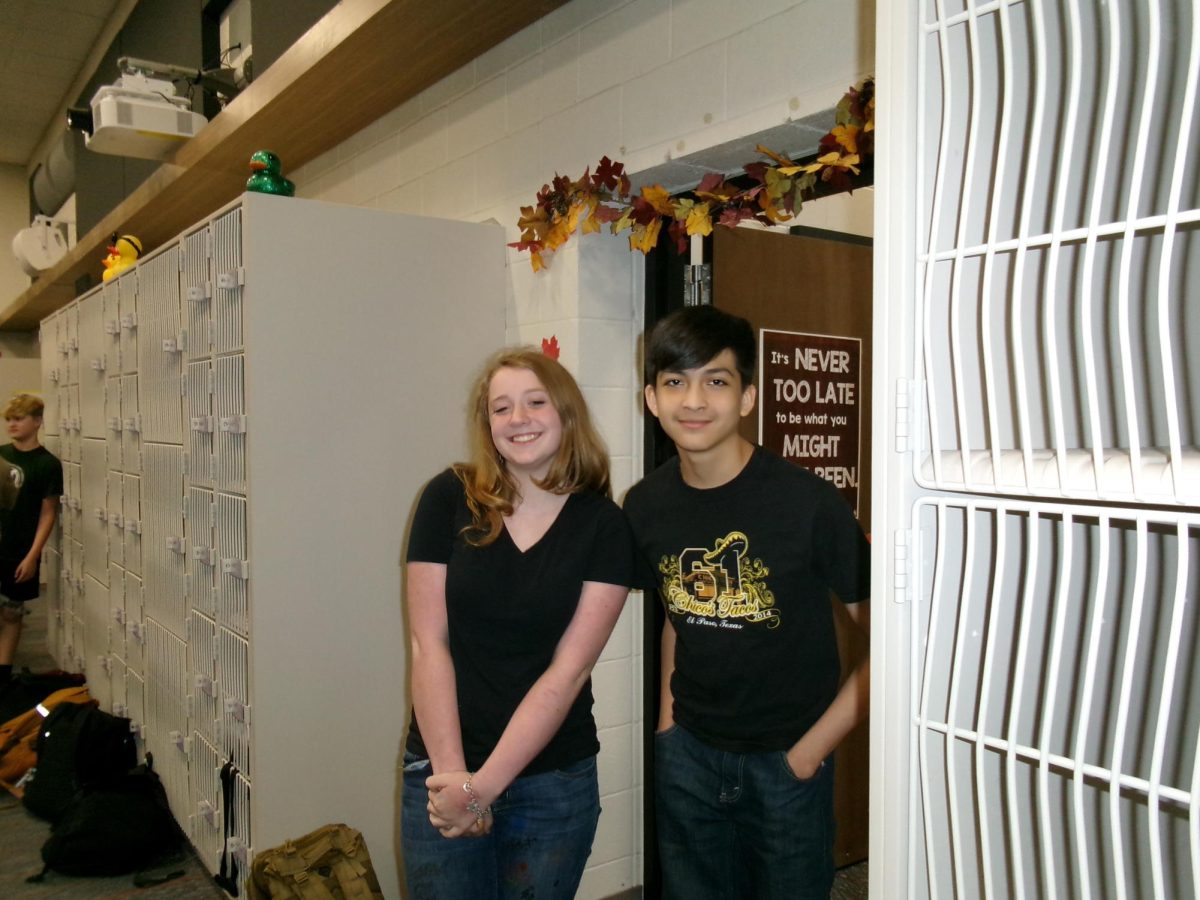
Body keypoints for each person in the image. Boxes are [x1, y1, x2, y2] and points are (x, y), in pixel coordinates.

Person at [623, 306, 871, 900]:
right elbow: (678, 614)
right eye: (675, 382)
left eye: (717, 380)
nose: (694, 400)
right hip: (688, 755)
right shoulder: (645, 506)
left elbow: (895, 642)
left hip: (787, 763)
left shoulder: (809, 504)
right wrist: (667, 728)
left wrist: (809, 754)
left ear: (748, 397)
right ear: (651, 400)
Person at [401, 347, 635, 899]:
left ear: (566, 413)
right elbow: (428, 643)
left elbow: (568, 674)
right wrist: (457, 779)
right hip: (439, 771)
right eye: (500, 408)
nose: (518, 419)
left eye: (535, 402)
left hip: (553, 784)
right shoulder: (447, 498)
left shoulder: (604, 527)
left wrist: (484, 788)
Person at [0, 393, 63, 686]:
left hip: (20, 550)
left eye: (19, 418)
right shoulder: (1, 456)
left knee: (12, 614)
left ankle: (3, 674)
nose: (12, 424)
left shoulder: (47, 464)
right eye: (9, 419)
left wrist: (32, 555)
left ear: (37, 421)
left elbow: (48, 513)